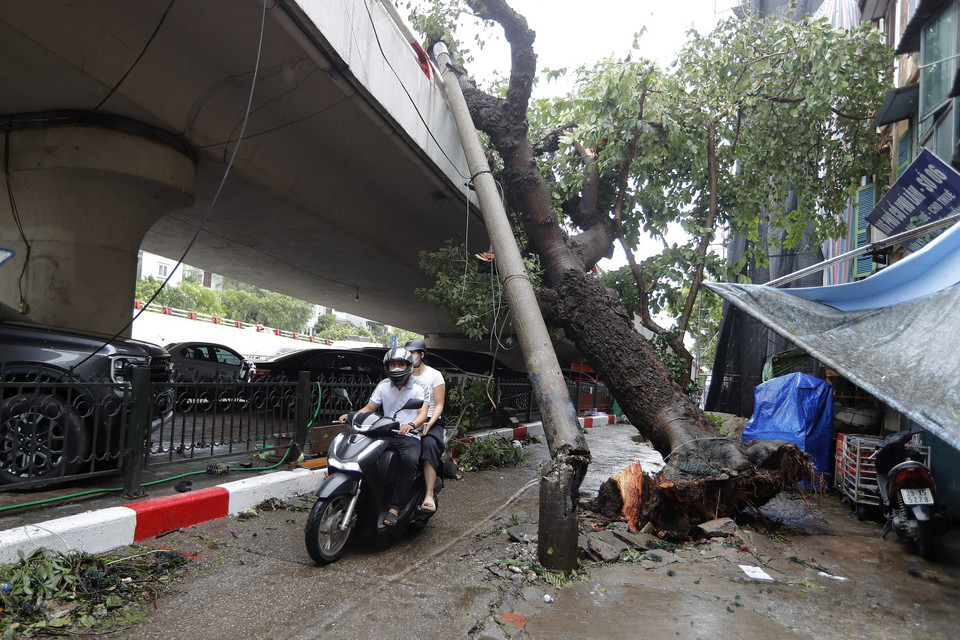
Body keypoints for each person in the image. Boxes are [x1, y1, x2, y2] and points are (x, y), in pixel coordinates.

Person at [340, 347, 429, 526]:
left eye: (400, 364)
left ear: (409, 365)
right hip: (384, 431)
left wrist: (411, 425)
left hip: (408, 435)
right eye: (392, 364)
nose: (396, 368)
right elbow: (369, 408)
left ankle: (394, 508)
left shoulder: (420, 387)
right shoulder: (383, 385)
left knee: (410, 461)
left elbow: (422, 414)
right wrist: (352, 415)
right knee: (364, 457)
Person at [404, 338, 445, 513]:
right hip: (407, 419)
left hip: (430, 419)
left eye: (413, 353)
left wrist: (429, 423)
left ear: (421, 355)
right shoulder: (403, 374)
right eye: (408, 353)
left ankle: (428, 495)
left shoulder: (435, 375)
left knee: (428, 445)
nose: (410, 356)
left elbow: (440, 404)